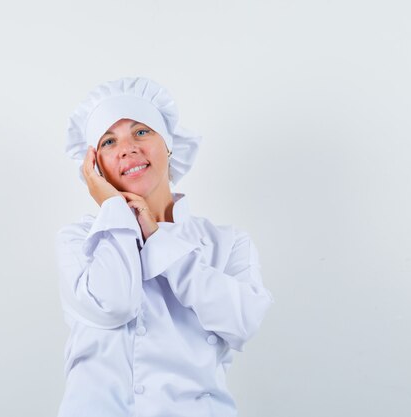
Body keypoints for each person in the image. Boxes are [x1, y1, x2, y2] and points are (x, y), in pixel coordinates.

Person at [56, 77, 274, 417]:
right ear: (94, 166)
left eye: (141, 132)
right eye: (109, 141)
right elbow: (113, 305)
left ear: (169, 144)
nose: (128, 148)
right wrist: (116, 213)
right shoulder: (79, 240)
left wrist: (157, 239)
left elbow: (242, 321)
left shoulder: (226, 242)